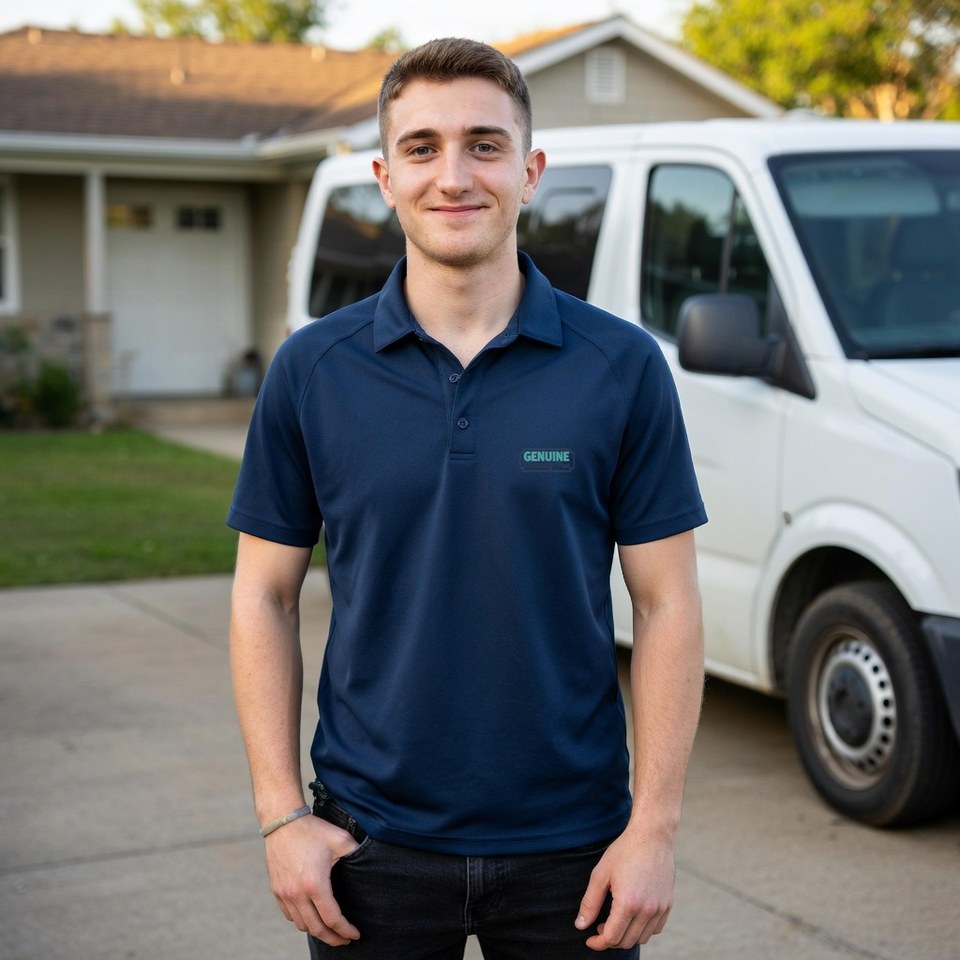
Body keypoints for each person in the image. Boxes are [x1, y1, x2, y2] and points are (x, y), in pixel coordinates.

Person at [228, 37, 707, 960]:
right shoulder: (312, 371)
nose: (454, 175)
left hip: (576, 850)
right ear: (384, 176)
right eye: (422, 147)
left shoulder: (622, 368)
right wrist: (281, 815)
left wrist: (654, 829)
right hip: (370, 846)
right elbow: (264, 594)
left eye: (485, 145)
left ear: (529, 172)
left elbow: (667, 601)